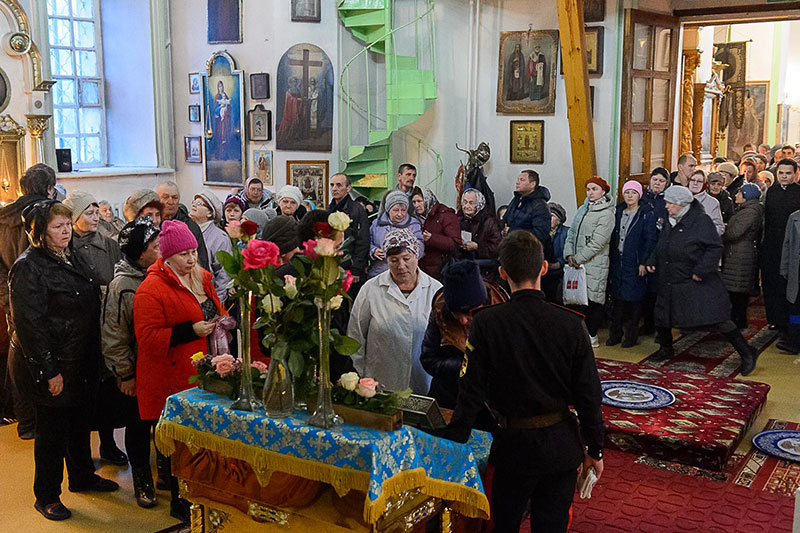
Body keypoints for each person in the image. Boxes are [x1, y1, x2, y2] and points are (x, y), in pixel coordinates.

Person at [441, 230, 604, 532]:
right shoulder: (571, 324)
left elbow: (470, 390)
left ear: (502, 273)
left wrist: (454, 441)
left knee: (503, 525)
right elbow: (589, 395)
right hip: (560, 447)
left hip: (513, 448)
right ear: (543, 268)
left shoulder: (487, 322)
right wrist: (595, 449)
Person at [9, 200, 119, 521]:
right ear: (39, 232)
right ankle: (46, 495)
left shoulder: (71, 255)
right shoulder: (29, 267)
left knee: (80, 424)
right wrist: (49, 371)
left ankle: (82, 476)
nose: (66, 231)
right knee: (52, 433)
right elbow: (30, 325)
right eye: (58, 227)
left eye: (68, 225)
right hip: (52, 363)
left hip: (80, 358)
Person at [133, 220, 226, 522]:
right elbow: (147, 338)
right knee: (177, 444)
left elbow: (217, 308)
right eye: (184, 254)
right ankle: (180, 501)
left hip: (200, 371)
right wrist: (190, 330)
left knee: (199, 441)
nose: (191, 259)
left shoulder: (202, 277)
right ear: (167, 257)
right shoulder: (150, 289)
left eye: (194, 252)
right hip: (169, 377)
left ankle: (200, 493)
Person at [646, 186, 758, 375]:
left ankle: (747, 352)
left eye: (670, 203)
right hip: (671, 276)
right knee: (663, 314)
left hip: (696, 279)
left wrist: (702, 269)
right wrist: (652, 259)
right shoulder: (670, 219)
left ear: (681, 204)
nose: (666, 206)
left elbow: (715, 247)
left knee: (718, 318)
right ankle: (665, 348)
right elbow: (662, 243)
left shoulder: (701, 221)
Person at [62, 191, 129, 466]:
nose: (95, 217)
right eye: (88, 213)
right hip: (79, 328)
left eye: (95, 212)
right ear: (73, 218)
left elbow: (119, 276)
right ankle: (80, 455)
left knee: (107, 389)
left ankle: (108, 443)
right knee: (82, 392)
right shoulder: (66, 249)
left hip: (106, 323)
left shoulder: (109, 245)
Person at [101, 218, 161, 508]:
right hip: (137, 370)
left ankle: (166, 472)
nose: (160, 250)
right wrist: (125, 374)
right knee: (138, 427)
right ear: (139, 253)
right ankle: (141, 478)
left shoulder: (161, 274)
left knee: (163, 424)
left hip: (162, 367)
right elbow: (114, 335)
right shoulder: (122, 286)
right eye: (154, 246)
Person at [0, 163, 57, 438]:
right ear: (50, 188)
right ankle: (43, 420)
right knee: (46, 357)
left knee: (19, 358)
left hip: (13, 299)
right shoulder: (47, 214)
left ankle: (26, 421)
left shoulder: (3, 218)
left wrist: (6, 298)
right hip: (45, 299)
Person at [348, 229, 442, 394]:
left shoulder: (435, 290)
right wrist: (362, 377)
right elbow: (355, 336)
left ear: (417, 256)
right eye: (394, 260)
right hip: (380, 383)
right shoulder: (371, 289)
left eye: (406, 258)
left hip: (423, 383)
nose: (401, 266)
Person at [420, 261, 507, 410]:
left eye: (468, 313)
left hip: (491, 405)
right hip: (449, 398)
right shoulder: (440, 311)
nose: (463, 320)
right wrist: (464, 367)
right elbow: (428, 359)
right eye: (456, 313)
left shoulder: (501, 314)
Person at [563, 176, 615, 347]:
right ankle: (577, 333)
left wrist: (578, 258)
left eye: (594, 189)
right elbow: (572, 233)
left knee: (593, 299)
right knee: (576, 299)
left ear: (603, 192)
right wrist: (569, 254)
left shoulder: (607, 214)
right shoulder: (582, 209)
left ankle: (592, 334)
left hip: (594, 263)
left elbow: (597, 243)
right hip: (576, 263)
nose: (590, 193)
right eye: (588, 189)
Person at [607, 180, 657, 347]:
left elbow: (649, 239)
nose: (630, 195)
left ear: (639, 195)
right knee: (617, 299)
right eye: (627, 192)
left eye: (634, 192)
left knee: (634, 299)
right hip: (618, 260)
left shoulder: (645, 214)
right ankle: (615, 334)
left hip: (635, 261)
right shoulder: (618, 211)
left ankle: (631, 335)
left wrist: (643, 261)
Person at [762, 159, 800, 331]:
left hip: (793, 245)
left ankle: (792, 323)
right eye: (781, 173)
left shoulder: (798, 192)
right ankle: (775, 319)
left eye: (788, 173)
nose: (784, 176)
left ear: (795, 174)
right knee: (772, 283)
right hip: (772, 244)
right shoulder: (772, 191)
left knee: (791, 286)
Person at [721, 183, 763, 330]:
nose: (736, 195)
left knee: (738, 290)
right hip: (738, 252)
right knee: (736, 289)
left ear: (746, 196)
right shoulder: (747, 209)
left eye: (739, 193)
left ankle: (738, 321)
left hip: (740, 254)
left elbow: (735, 233)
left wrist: (722, 234)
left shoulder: (749, 212)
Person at [641, 168, 670, 335]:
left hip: (659, 250)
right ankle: (646, 323)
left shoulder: (666, 202)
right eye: (655, 179)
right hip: (641, 248)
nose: (657, 183)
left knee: (656, 291)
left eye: (661, 181)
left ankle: (659, 327)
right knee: (644, 290)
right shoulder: (642, 198)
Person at [368, 190, 424, 278]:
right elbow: (367, 242)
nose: (400, 214)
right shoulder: (377, 224)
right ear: (388, 210)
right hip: (379, 271)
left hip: (404, 272)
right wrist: (373, 251)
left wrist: (404, 256)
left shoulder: (413, 224)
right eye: (395, 210)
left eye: (403, 210)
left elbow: (419, 247)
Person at [189, 190, 232, 304]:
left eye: (200, 204)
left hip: (208, 298)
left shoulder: (219, 238)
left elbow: (224, 275)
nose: (194, 205)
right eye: (194, 202)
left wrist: (216, 303)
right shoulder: (187, 230)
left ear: (210, 213)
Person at [155, 181, 209, 270]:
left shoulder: (190, 227)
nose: (171, 202)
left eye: (174, 198)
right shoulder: (151, 224)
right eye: (165, 197)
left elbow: (202, 263)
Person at [328, 173, 370, 286]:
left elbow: (362, 241)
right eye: (332, 185)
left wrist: (356, 268)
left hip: (350, 267)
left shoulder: (357, 210)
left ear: (348, 188)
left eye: (339, 185)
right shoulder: (329, 210)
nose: (334, 189)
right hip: (332, 265)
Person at [411, 187, 461, 280]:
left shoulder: (445, 215)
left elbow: (455, 243)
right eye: (414, 202)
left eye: (419, 201)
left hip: (441, 270)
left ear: (427, 200)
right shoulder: (416, 217)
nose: (416, 205)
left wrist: (432, 238)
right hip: (423, 268)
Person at [456, 189, 502, 277]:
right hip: (461, 262)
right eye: (465, 202)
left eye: (471, 203)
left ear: (479, 204)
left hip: (482, 268)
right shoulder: (459, 218)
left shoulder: (489, 222)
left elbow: (497, 248)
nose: (467, 206)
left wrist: (477, 247)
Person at [502, 170, 552, 250]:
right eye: (518, 179)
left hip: (530, 251)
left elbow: (540, 234)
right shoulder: (516, 199)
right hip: (513, 248)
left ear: (532, 184)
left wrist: (512, 232)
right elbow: (506, 218)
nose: (517, 182)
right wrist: (503, 228)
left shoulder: (540, 205)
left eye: (522, 180)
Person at [540, 202, 570, 304]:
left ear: (559, 220)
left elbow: (570, 253)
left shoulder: (567, 233)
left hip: (560, 272)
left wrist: (558, 264)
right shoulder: (541, 232)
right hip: (543, 271)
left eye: (552, 216)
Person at [687, 170, 725, 235]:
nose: (695, 183)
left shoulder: (713, 203)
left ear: (704, 184)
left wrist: (703, 231)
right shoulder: (680, 198)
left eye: (699, 181)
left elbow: (720, 228)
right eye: (693, 180)